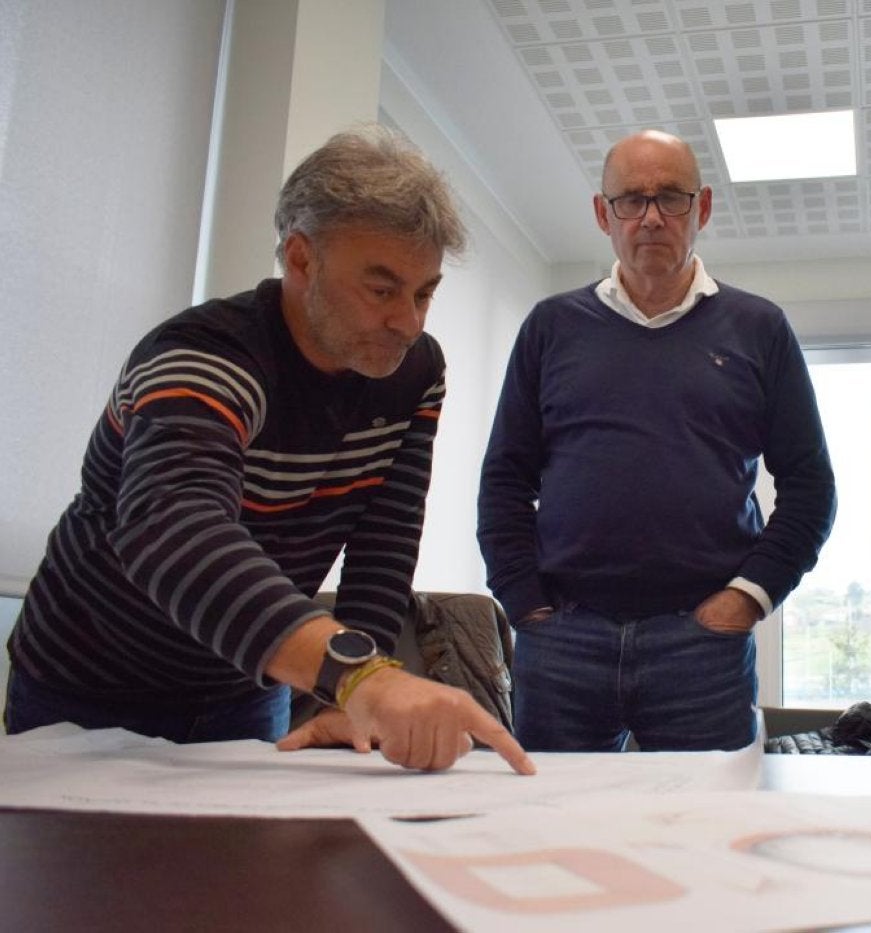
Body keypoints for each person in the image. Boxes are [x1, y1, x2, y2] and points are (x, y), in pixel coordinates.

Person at [4, 127, 533, 776]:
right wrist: (357, 674)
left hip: (243, 684)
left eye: (424, 292)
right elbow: (174, 529)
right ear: (301, 259)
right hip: (88, 679)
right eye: (382, 289)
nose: (409, 321)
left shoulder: (414, 372)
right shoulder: (205, 356)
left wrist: (351, 687)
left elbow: (383, 538)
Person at [477, 129, 836, 753]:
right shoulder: (551, 327)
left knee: (703, 836)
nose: (650, 217)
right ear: (601, 214)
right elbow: (506, 478)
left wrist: (745, 601)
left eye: (670, 198)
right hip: (563, 642)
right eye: (630, 200)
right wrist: (524, 601)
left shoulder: (760, 329)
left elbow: (811, 487)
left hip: (702, 648)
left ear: (702, 209)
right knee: (554, 836)